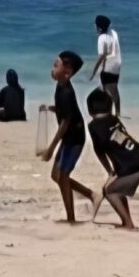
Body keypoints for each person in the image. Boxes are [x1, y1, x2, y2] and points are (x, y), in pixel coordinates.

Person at [37, 50, 97, 223]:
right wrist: (51, 108)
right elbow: (64, 110)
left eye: (56, 65)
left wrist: (50, 149)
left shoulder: (66, 92)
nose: (52, 68)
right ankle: (91, 195)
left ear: (67, 72)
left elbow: (65, 123)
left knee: (62, 176)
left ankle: (71, 218)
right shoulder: (60, 85)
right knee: (56, 176)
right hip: (69, 138)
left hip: (75, 138)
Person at [85, 87, 139, 229]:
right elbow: (119, 142)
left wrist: (110, 171)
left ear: (90, 110)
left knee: (109, 191)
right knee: (117, 189)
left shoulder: (93, 126)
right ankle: (127, 220)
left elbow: (99, 151)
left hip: (132, 164)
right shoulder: (114, 119)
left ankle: (128, 224)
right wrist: (115, 172)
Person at [93, 15, 124, 115]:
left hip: (108, 68)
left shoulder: (101, 38)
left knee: (107, 91)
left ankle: (108, 113)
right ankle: (118, 112)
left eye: (95, 25)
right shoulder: (113, 33)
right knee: (114, 89)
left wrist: (95, 70)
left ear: (99, 27)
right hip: (117, 65)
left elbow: (102, 56)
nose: (94, 26)